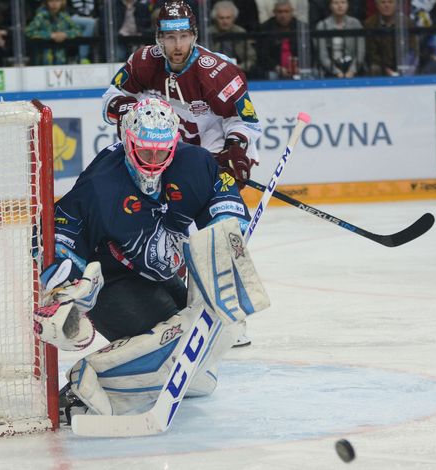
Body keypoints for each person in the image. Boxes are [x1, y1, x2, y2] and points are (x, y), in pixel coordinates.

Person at [33, 98, 264, 421]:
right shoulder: (101, 184)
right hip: (113, 281)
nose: (153, 161)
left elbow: (221, 195)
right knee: (176, 346)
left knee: (206, 350)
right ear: (128, 143)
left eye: (162, 152)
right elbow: (62, 226)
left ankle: (146, 370)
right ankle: (84, 383)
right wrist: (64, 274)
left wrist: (227, 230)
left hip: (160, 272)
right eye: (145, 152)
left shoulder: (194, 163)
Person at [102, 0, 262, 347]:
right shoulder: (144, 62)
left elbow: (245, 121)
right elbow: (112, 98)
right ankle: (184, 314)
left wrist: (236, 146)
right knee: (169, 244)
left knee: (221, 239)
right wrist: (139, 107)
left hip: (207, 168)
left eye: (184, 36)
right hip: (159, 168)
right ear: (158, 37)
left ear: (195, 35)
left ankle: (232, 319)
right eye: (170, 37)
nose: (177, 46)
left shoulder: (217, 72)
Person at [364, 0, 418, 76]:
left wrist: (404, 67)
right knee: (374, 68)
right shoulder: (369, 24)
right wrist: (385, 69)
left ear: (397, 5)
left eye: (390, 2)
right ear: (377, 5)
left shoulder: (407, 23)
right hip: (381, 65)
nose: (387, 5)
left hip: (403, 64)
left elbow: (413, 49)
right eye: (383, 2)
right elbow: (371, 53)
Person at [316, 0, 365, 78]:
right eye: (336, 3)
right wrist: (337, 72)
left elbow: (360, 52)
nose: (340, 6)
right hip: (330, 70)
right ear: (330, 6)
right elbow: (323, 55)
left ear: (348, 5)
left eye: (343, 2)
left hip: (353, 68)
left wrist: (352, 71)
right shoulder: (322, 25)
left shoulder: (355, 23)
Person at [259, 0, 306, 79]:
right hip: (274, 69)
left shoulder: (300, 27)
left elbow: (309, 51)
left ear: (292, 12)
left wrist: (298, 67)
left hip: (298, 68)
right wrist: (277, 68)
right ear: (274, 12)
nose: (283, 15)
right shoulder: (265, 28)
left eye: (286, 11)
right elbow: (262, 54)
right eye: (280, 12)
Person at [25, 0, 82, 65]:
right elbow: (29, 32)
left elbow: (78, 30)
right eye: (51, 1)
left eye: (57, 1)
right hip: (43, 59)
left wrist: (65, 34)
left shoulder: (64, 15)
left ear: (62, 2)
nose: (54, 4)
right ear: (46, 2)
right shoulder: (41, 16)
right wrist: (50, 35)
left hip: (61, 59)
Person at [209, 0, 258, 73]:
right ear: (215, 18)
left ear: (234, 18)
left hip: (240, 72)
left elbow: (251, 58)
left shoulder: (240, 32)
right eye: (221, 18)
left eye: (228, 18)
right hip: (213, 72)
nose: (225, 21)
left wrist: (240, 67)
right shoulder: (208, 33)